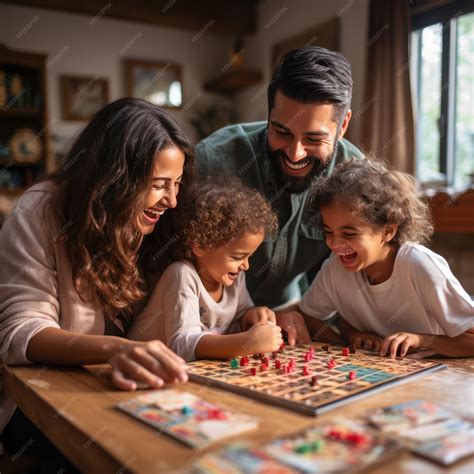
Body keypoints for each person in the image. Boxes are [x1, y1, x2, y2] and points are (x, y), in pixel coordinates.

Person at [0, 98, 192, 469]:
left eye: (178, 183)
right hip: (43, 406)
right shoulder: (38, 211)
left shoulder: (150, 223)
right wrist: (114, 350)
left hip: (119, 393)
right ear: (114, 180)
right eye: (158, 185)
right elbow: (22, 333)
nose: (172, 199)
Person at [195, 46, 364, 344]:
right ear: (269, 114)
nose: (295, 153)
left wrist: (309, 315)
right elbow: (172, 267)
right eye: (281, 131)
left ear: (343, 126)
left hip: (291, 314)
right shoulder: (212, 161)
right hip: (206, 322)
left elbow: (347, 276)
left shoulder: (355, 178)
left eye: (313, 138)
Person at [285, 158, 474, 358]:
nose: (335, 244)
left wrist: (423, 339)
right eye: (328, 232)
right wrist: (349, 336)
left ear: (388, 232)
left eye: (349, 234)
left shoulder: (420, 265)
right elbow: (309, 316)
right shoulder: (335, 267)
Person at [129, 179, 283, 361]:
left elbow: (241, 315)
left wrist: (253, 317)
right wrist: (247, 342)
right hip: (142, 367)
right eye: (237, 257)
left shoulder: (233, 278)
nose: (246, 266)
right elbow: (181, 344)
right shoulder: (182, 275)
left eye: (249, 256)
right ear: (200, 246)